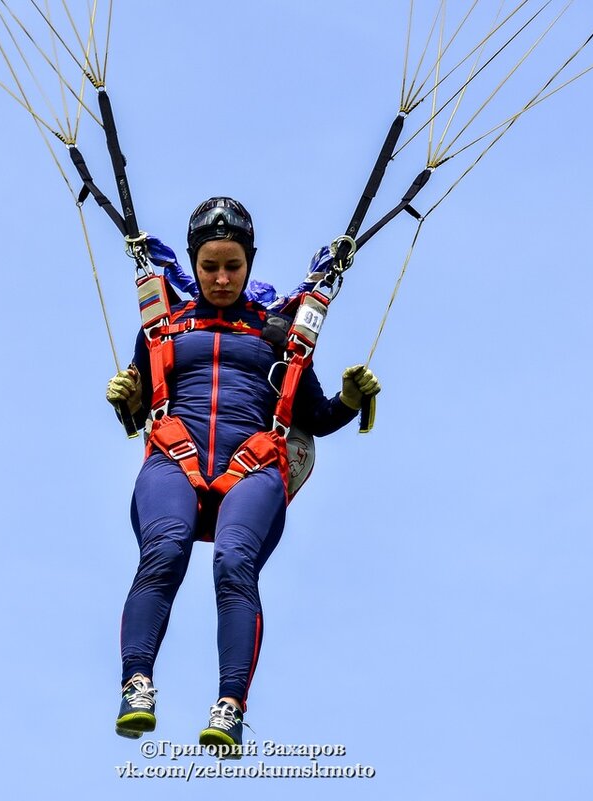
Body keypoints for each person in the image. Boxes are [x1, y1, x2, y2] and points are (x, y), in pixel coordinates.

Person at [105, 197, 381, 755]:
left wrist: (350, 401)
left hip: (254, 464)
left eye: (233, 266)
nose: (222, 278)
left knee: (234, 561)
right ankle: (137, 684)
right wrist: (128, 402)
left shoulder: (278, 334)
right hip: (173, 458)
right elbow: (140, 410)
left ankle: (229, 705)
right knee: (165, 549)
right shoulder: (164, 329)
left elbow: (317, 416)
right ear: (193, 264)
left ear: (250, 264)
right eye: (210, 267)